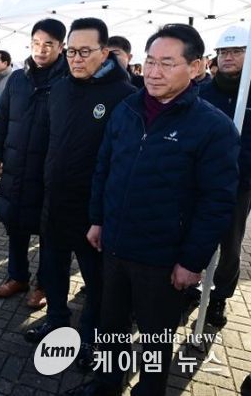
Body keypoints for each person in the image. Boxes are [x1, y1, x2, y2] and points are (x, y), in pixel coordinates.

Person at [72, 24, 239, 396]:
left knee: (154, 337)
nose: (154, 71)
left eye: (167, 63)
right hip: (115, 246)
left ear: (195, 67)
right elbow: (104, 167)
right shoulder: (126, 109)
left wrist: (192, 261)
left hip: (164, 260)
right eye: (150, 61)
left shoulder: (213, 127)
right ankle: (106, 384)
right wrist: (97, 219)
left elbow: (217, 202)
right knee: (111, 327)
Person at [24, 19, 135, 372]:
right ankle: (57, 322)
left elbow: (123, 163)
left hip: (93, 212)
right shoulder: (59, 89)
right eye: (72, 51)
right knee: (53, 272)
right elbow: (47, 144)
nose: (76, 59)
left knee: (96, 281)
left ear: (105, 52)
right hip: (55, 204)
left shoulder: (124, 96)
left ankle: (90, 336)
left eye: (85, 51)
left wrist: (103, 215)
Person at [0, 18, 68, 309]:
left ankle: (43, 285)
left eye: (48, 44)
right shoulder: (18, 79)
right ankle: (17, 277)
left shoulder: (68, 81)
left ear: (61, 46)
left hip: (49, 172)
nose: (41, 49)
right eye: (36, 43)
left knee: (48, 231)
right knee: (16, 226)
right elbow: (1, 118)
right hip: (16, 166)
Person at [199, 25, 250, 328]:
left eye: (237, 51)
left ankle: (219, 297)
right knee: (194, 236)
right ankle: (190, 287)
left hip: (239, 185)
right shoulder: (203, 93)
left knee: (230, 245)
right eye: (224, 52)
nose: (228, 57)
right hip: (201, 182)